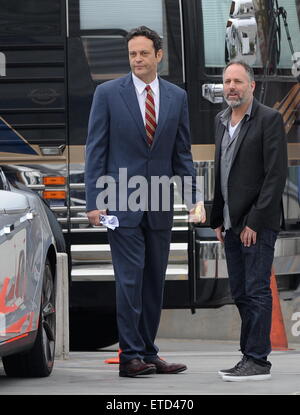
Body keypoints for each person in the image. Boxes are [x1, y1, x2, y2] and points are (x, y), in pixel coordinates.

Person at [85, 26, 206, 377]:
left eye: (143, 53)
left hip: (159, 204)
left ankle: (149, 352)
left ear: (158, 56)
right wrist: (94, 201)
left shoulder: (175, 97)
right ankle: (129, 356)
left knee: (155, 280)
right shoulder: (107, 94)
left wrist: (193, 199)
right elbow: (96, 151)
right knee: (129, 279)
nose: (137, 59)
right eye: (132, 54)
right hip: (119, 203)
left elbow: (181, 154)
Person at [210, 60, 287, 382]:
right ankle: (248, 356)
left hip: (256, 223)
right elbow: (221, 173)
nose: (231, 87)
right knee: (240, 292)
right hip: (230, 223)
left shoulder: (269, 119)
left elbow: (275, 175)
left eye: (238, 81)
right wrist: (217, 218)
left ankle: (257, 360)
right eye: (227, 81)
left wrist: (255, 221)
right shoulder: (221, 119)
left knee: (256, 290)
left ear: (251, 86)